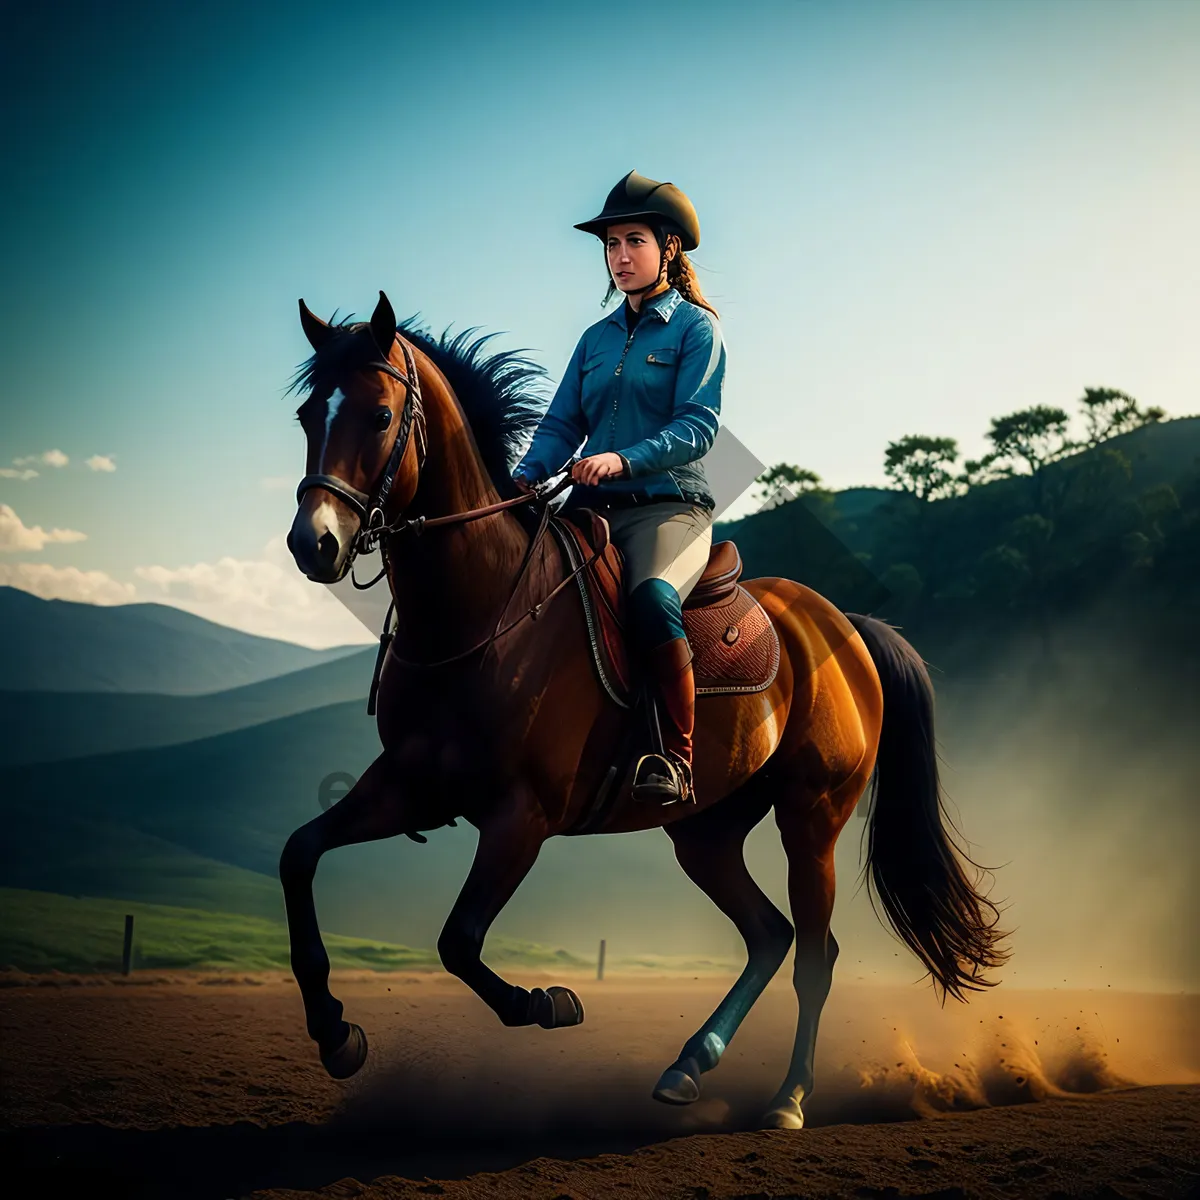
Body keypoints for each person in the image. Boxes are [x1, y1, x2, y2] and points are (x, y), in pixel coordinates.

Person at [511, 169, 725, 806]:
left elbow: (699, 424)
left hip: (670, 507)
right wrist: (523, 476)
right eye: (611, 245)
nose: (620, 256)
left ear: (669, 249)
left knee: (653, 598)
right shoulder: (593, 339)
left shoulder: (695, 329)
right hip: (589, 508)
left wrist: (622, 460)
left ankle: (676, 757)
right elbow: (561, 424)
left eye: (634, 241)